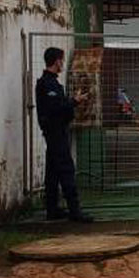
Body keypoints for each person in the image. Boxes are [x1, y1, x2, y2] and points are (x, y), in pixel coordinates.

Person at [35, 47, 93, 223]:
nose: (62, 63)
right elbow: (55, 109)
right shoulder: (48, 84)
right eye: (61, 60)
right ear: (57, 61)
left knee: (52, 172)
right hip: (55, 132)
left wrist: (71, 102)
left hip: (55, 131)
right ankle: (75, 210)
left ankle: (52, 209)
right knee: (67, 170)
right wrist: (74, 101)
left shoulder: (51, 83)